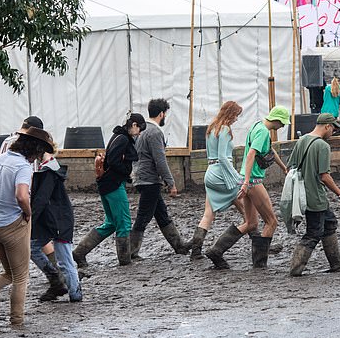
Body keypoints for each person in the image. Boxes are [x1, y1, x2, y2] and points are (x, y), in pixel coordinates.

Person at [0, 126, 55, 327]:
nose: (38, 158)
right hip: (13, 226)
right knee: (22, 277)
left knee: (9, 272)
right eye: (39, 153)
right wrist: (28, 212)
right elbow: (21, 195)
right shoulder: (22, 166)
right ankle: (17, 322)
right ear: (34, 149)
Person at [205, 105, 290, 269]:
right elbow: (251, 154)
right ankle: (260, 263)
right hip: (253, 180)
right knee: (271, 221)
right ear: (278, 120)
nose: (283, 126)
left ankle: (216, 250)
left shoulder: (257, 126)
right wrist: (247, 182)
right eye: (283, 123)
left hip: (246, 178)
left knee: (251, 223)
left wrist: (282, 166)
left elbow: (269, 150)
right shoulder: (263, 131)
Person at [0, 116, 55, 288]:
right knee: (38, 236)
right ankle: (56, 276)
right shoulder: (28, 146)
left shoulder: (8, 141)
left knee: (5, 243)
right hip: (23, 187)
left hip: (3, 190)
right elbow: (36, 166)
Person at [73, 113, 145, 267]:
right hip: (114, 184)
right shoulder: (124, 138)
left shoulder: (117, 135)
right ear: (134, 125)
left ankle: (80, 252)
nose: (139, 133)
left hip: (105, 184)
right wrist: (127, 173)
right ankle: (125, 260)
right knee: (124, 223)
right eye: (140, 129)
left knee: (111, 223)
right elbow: (113, 160)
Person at [288, 113, 340, 276]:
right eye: (333, 128)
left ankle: (336, 262)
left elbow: (290, 167)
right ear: (326, 126)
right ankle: (295, 269)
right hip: (315, 195)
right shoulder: (323, 146)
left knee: (330, 223)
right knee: (313, 232)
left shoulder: (302, 140)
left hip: (303, 193)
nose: (333, 132)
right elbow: (324, 175)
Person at [130, 99, 190, 258]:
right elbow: (160, 160)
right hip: (150, 180)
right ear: (162, 113)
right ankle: (130, 251)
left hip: (141, 177)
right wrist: (171, 183)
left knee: (161, 214)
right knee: (143, 216)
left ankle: (179, 246)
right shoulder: (155, 132)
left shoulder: (142, 131)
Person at [188, 101, 245, 260]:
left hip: (210, 173)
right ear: (230, 113)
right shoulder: (225, 129)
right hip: (222, 175)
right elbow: (222, 157)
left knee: (208, 214)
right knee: (245, 210)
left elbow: (211, 155)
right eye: (236, 115)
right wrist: (236, 177)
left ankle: (196, 250)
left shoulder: (212, 127)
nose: (236, 119)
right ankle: (260, 243)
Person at [30, 150, 82, 302]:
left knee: (65, 260)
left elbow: (41, 198)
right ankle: (57, 281)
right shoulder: (50, 167)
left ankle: (75, 294)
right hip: (54, 219)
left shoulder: (49, 171)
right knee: (33, 248)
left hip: (58, 221)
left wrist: (30, 219)